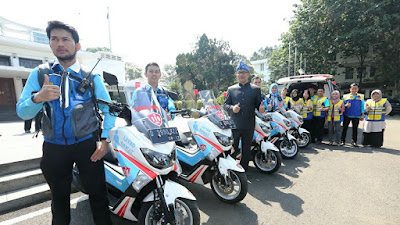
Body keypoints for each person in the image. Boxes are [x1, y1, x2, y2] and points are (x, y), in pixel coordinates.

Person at [16, 21, 115, 225]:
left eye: (65, 39)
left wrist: (105, 140)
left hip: (88, 145)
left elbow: (110, 109)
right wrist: (38, 97)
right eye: (54, 39)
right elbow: (22, 112)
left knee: (98, 196)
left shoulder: (92, 77)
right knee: (59, 200)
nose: (60, 43)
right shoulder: (40, 74)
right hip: (54, 148)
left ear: (77, 45)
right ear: (50, 45)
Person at [224, 61, 265, 171]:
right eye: (239, 72)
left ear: (248, 74)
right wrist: (232, 108)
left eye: (244, 72)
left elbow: (259, 106)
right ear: (236, 75)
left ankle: (243, 170)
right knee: (233, 149)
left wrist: (261, 109)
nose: (241, 74)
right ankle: (231, 170)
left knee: (246, 150)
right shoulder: (231, 89)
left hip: (249, 125)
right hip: (235, 125)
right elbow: (225, 105)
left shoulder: (255, 89)